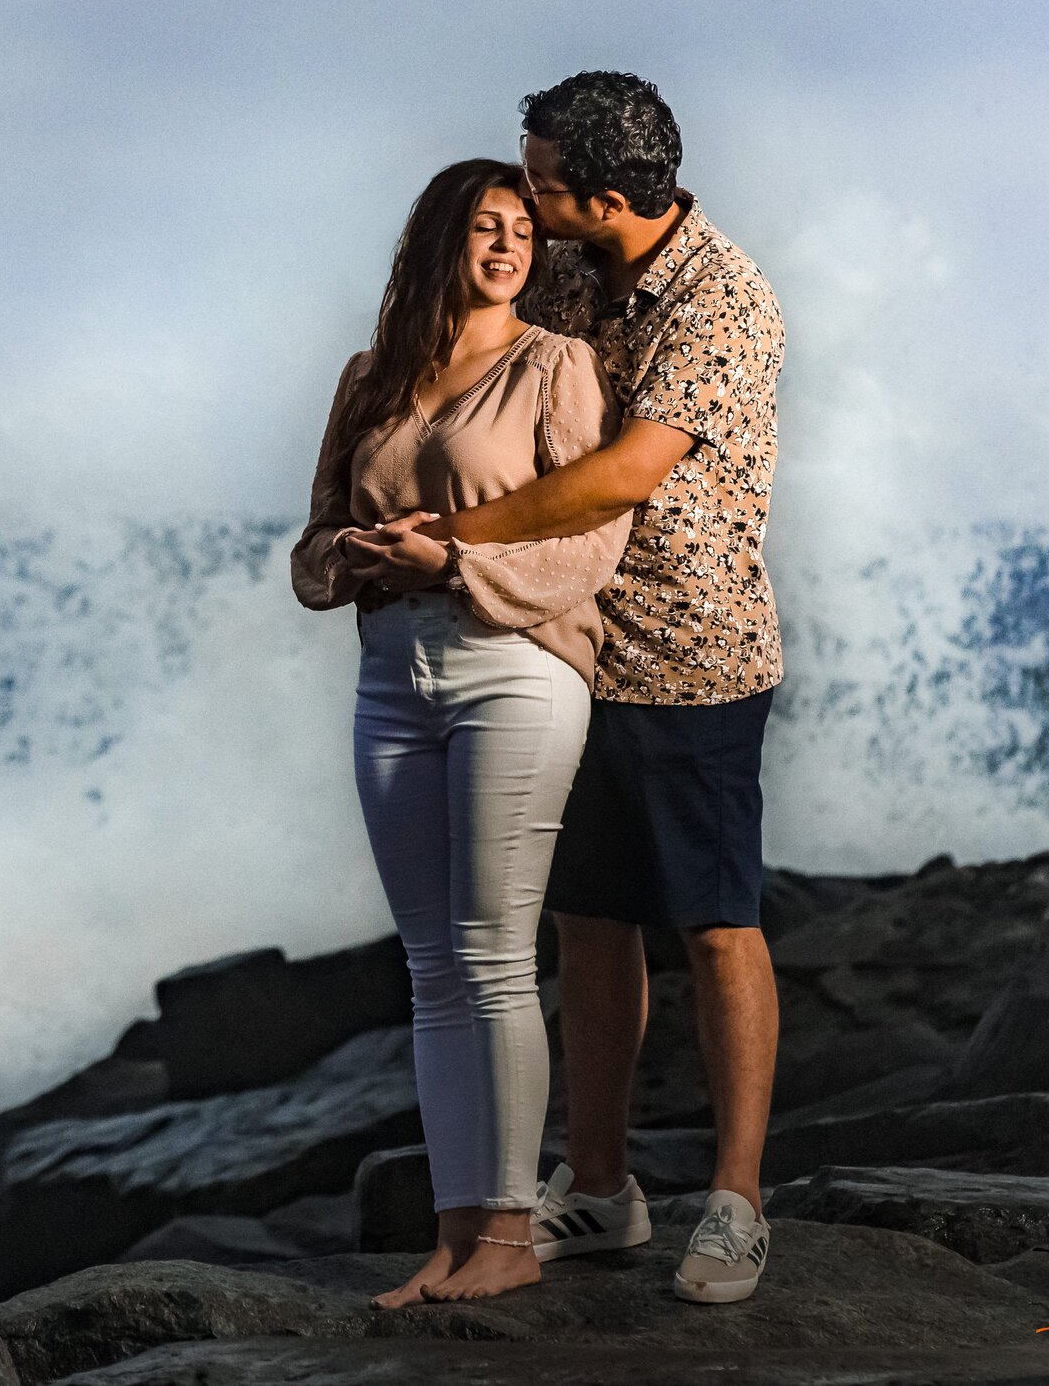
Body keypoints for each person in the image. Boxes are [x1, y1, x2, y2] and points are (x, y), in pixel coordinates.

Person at [408, 73, 788, 1305]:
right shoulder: (574, 269)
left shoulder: (723, 302)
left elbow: (626, 470)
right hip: (569, 644)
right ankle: (605, 1185)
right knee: (589, 919)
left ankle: (734, 1203)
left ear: (607, 198)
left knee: (715, 920)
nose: (522, 195)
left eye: (540, 182)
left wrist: (467, 534)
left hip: (692, 656)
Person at [291, 158, 632, 1308]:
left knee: (492, 955)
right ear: (439, 239)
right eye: (484, 228)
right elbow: (310, 549)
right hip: (391, 677)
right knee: (432, 968)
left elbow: (594, 539)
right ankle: (450, 1236)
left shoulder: (554, 363)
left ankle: (510, 1231)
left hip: (514, 669)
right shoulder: (368, 377)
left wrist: (454, 560)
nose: (506, 246)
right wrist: (357, 556)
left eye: (522, 231)